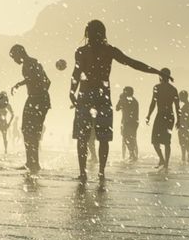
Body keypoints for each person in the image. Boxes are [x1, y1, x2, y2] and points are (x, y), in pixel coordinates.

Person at [69, 19, 165, 182]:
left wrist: (72, 91)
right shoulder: (108, 51)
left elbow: (76, 73)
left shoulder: (83, 51)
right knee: (101, 138)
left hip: (86, 96)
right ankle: (99, 173)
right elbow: (131, 63)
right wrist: (155, 71)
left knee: (83, 137)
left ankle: (85, 173)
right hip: (101, 97)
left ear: (88, 33)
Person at [9, 45, 52, 173]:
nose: (14, 60)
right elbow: (48, 81)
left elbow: (33, 78)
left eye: (14, 57)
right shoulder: (33, 62)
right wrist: (43, 94)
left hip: (36, 99)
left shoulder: (29, 63)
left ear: (19, 54)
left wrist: (19, 84)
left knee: (29, 131)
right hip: (39, 99)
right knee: (31, 131)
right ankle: (32, 162)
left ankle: (32, 163)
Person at [147, 68, 179, 169]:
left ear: (160, 76)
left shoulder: (158, 87)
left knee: (156, 141)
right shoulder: (173, 89)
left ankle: (163, 160)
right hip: (169, 116)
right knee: (166, 141)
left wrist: (149, 115)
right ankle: (164, 162)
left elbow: (153, 103)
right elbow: (177, 107)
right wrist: (179, 119)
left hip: (161, 115)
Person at [116, 87, 141, 162]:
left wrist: (120, 99)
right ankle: (132, 155)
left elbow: (117, 108)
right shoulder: (134, 101)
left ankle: (131, 155)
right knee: (132, 139)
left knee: (126, 138)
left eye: (125, 92)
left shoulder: (127, 101)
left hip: (127, 122)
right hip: (133, 122)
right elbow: (118, 108)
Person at [176, 91, 189, 164]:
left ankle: (187, 157)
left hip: (184, 125)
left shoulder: (187, 105)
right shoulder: (187, 105)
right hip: (183, 125)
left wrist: (181, 122)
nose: (179, 98)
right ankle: (185, 157)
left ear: (184, 97)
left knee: (184, 141)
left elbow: (186, 116)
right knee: (183, 141)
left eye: (180, 96)